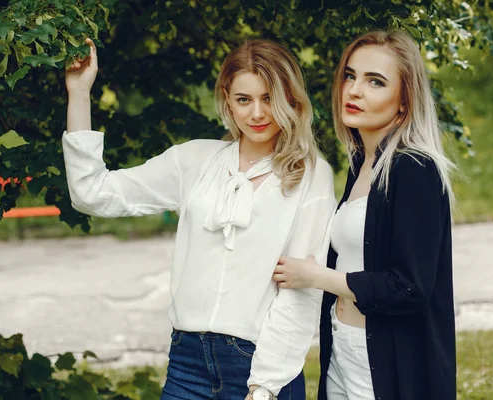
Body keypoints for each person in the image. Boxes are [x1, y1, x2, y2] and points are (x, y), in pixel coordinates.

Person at [63, 38, 336, 400]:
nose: (257, 113)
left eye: (269, 98)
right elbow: (92, 194)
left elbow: (301, 292)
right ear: (227, 98)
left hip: (261, 367)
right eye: (244, 100)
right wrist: (79, 93)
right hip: (186, 363)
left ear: (290, 98)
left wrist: (264, 386)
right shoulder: (194, 161)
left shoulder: (311, 175)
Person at [272, 30, 457, 400]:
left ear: (404, 100)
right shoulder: (363, 163)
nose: (354, 90)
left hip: (388, 364)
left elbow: (410, 287)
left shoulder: (414, 168)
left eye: (376, 82)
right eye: (350, 75)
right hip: (343, 349)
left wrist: (315, 276)